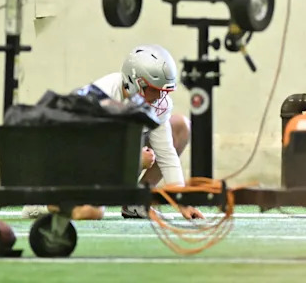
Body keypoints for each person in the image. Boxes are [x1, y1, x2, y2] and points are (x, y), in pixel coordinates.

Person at [22, 43, 204, 221]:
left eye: (164, 91)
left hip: (102, 158)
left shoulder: (158, 104)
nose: (159, 97)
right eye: (154, 90)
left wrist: (181, 201)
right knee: (92, 212)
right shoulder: (100, 96)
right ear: (134, 82)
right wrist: (131, 157)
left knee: (180, 127)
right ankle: (41, 203)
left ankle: (136, 202)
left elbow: (166, 153)